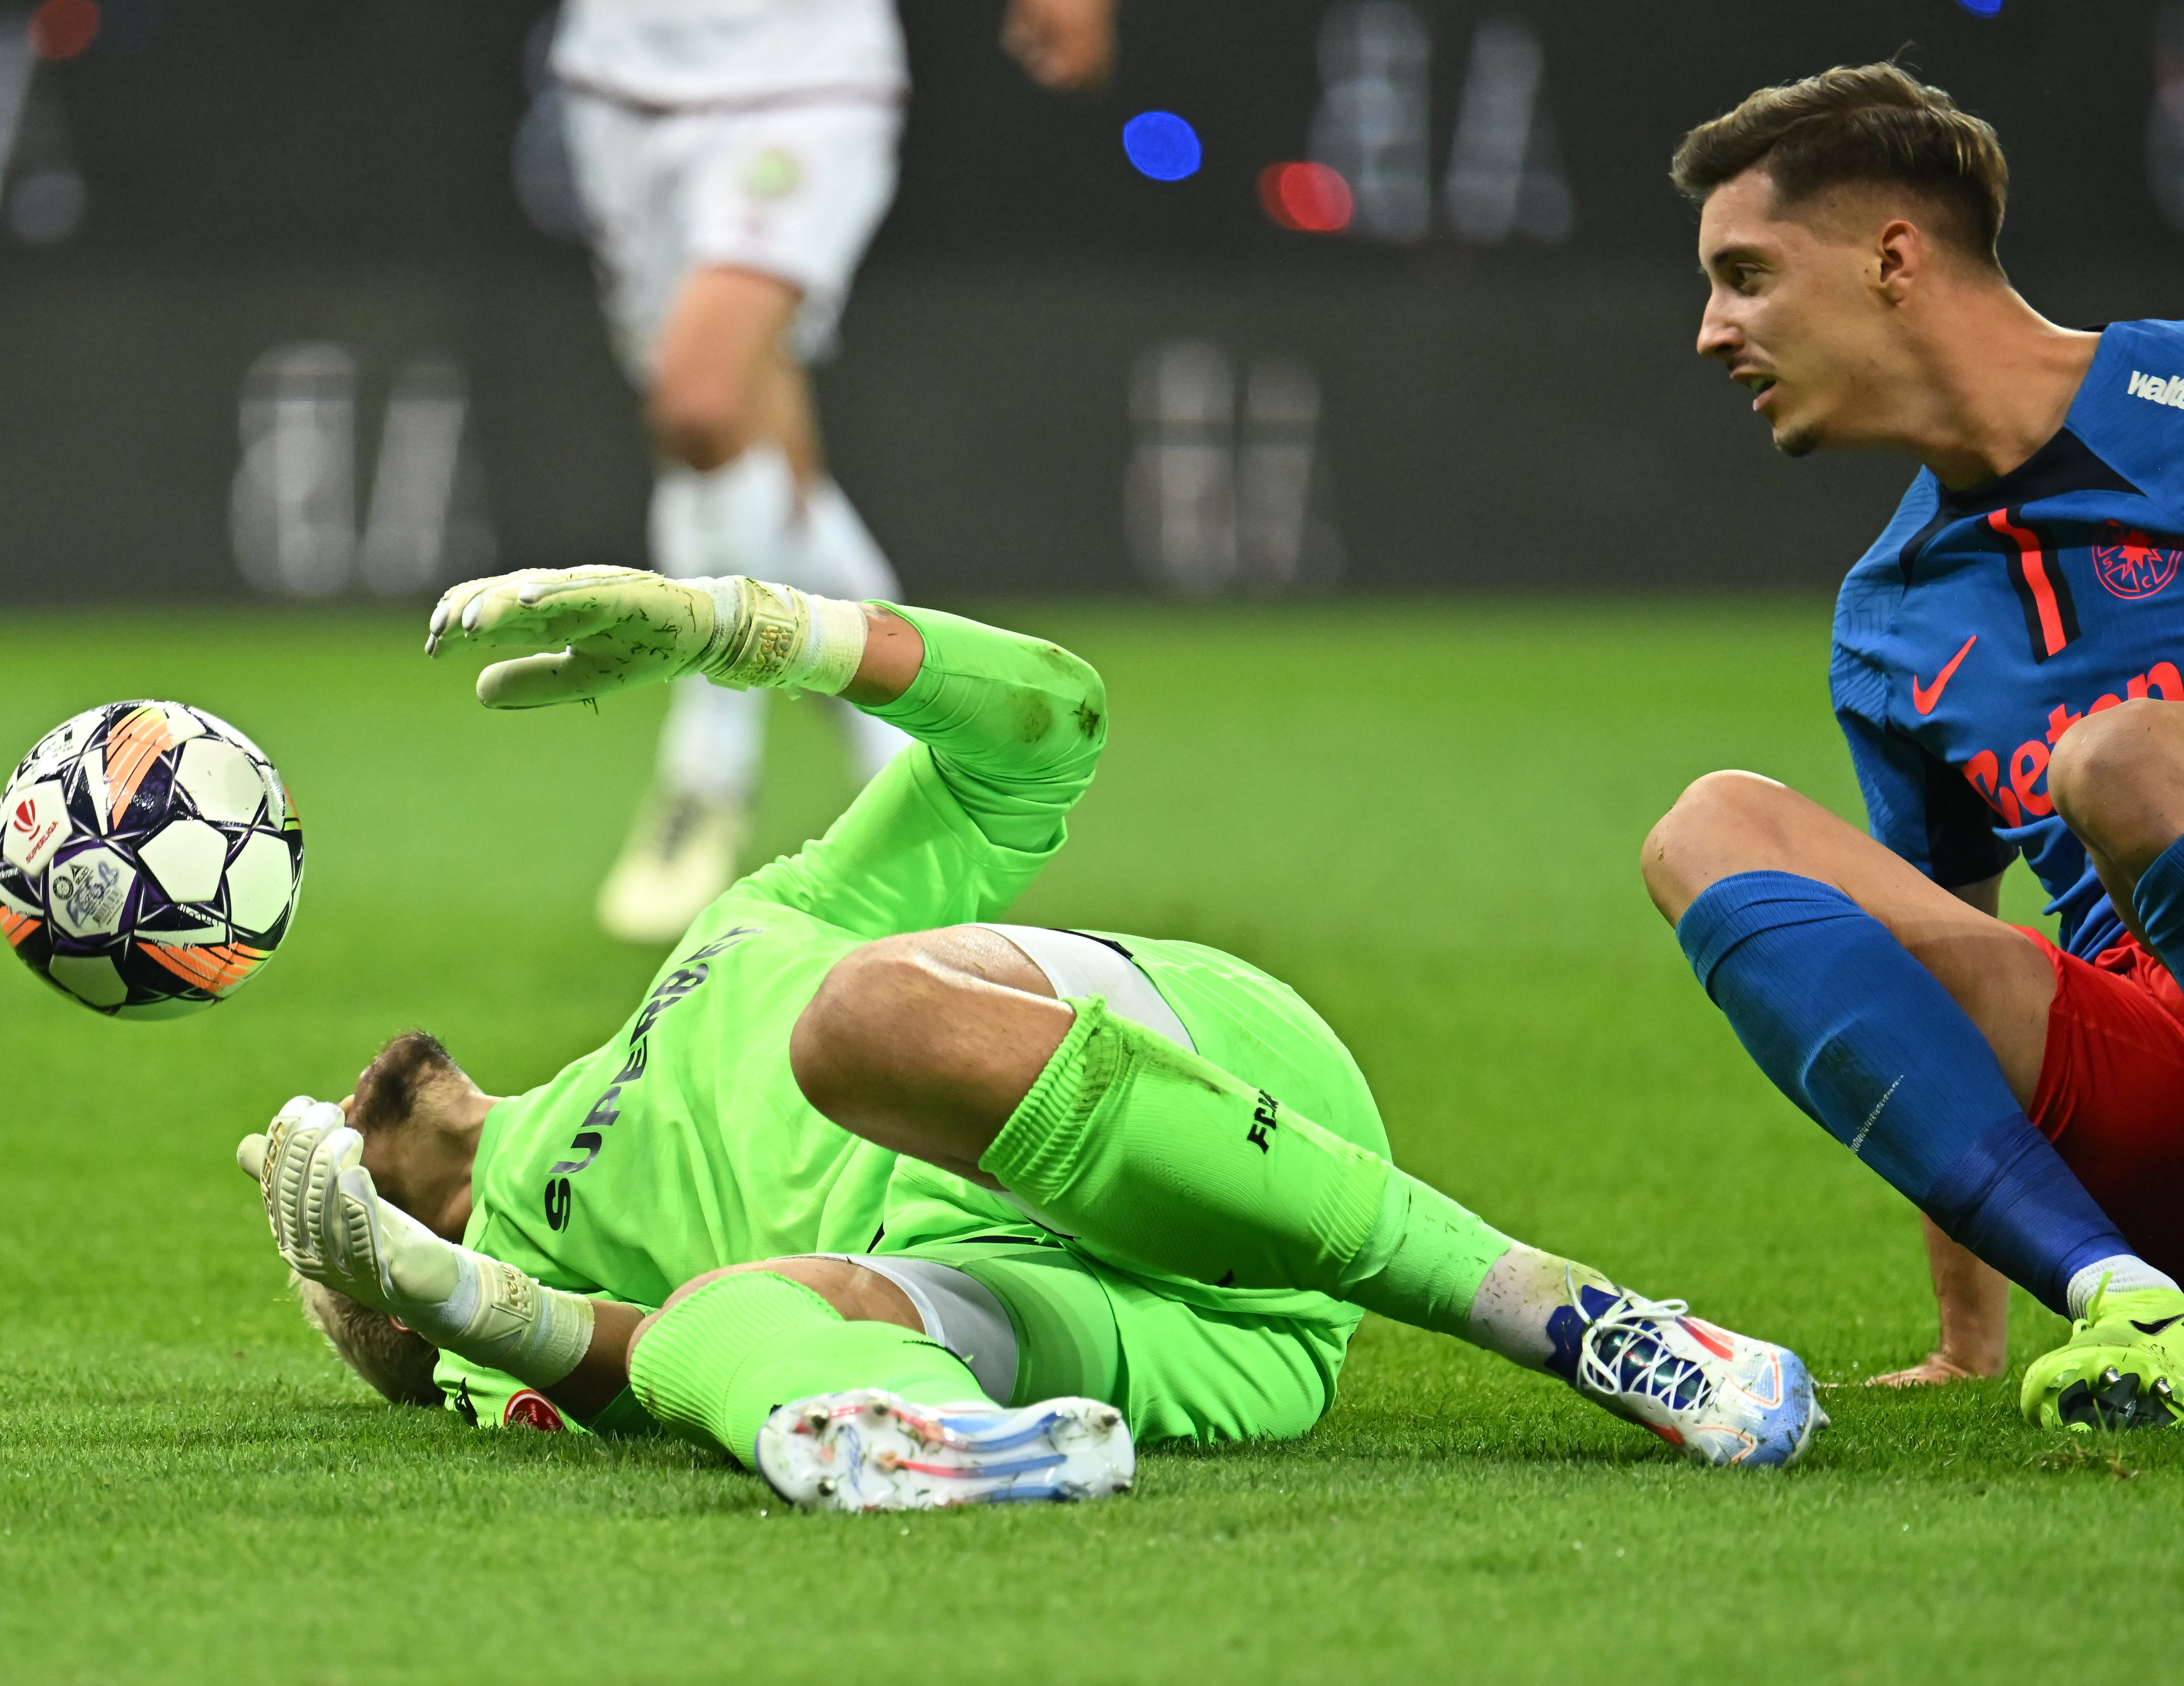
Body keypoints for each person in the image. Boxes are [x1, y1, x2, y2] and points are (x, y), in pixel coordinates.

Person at [240, 567, 1824, 1514]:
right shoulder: (490, 1307)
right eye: (319, 1194)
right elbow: (612, 1373)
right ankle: (918, 1441)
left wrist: (742, 627)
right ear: (392, 1236)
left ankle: (1561, 1312)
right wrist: (432, 1294)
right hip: (1180, 1341)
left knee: (860, 1014)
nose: (319, 1112)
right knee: (714, 1320)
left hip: (1219, 1085)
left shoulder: (750, 927)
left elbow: (1046, 728)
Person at [1644, 62, 2184, 1433]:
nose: (1710, 333)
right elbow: (1934, 969)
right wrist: (1965, 1339)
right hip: (2152, 1079)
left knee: (2123, 764)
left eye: (1746, 276)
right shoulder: (1890, 621)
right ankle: (2123, 1290)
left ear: (1892, 258)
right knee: (1713, 824)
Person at [550, 0, 1116, 943]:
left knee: (699, 403)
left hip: (805, 69)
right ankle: (909, 758)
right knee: (755, 452)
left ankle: (709, 770)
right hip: (620, 75)